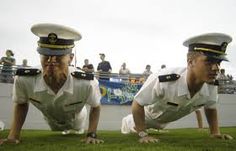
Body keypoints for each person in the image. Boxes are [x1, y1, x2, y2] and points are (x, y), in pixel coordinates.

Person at [0, 23, 103, 145]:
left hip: (77, 118)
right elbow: (21, 103)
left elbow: (96, 106)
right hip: (50, 119)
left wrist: (91, 134)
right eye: (46, 56)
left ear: (70, 58)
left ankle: (75, 129)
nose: (51, 61)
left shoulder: (87, 83)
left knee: (76, 128)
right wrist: (13, 136)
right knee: (55, 127)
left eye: (58, 56)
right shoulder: (24, 79)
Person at [121, 33, 234, 143]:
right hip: (140, 120)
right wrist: (142, 134)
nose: (216, 68)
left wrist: (215, 133)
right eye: (208, 62)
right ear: (190, 62)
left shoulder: (211, 84)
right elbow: (137, 103)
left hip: (163, 123)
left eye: (219, 62)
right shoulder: (164, 80)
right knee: (131, 128)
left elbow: (211, 107)